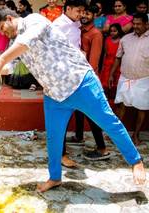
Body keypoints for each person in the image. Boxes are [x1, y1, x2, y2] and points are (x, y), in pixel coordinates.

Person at [0, 8, 146, 192]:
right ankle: (55, 177)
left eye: (3, 28)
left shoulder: (34, 20)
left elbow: (26, 42)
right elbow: (10, 67)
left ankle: (135, 160)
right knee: (54, 137)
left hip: (80, 82)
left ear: (10, 18)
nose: (3, 33)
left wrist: (0, 60)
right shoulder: (14, 42)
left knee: (109, 122)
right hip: (54, 94)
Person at [52, 0, 85, 167]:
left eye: (82, 11)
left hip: (75, 75)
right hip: (62, 77)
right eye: (78, 10)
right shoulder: (59, 25)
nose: (81, 14)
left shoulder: (75, 24)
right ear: (68, 9)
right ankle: (61, 154)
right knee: (61, 117)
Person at [109, 13, 149, 146]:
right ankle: (117, 134)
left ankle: (135, 135)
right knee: (121, 106)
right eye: (134, 24)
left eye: (139, 24)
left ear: (146, 24)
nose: (136, 26)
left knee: (141, 108)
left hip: (143, 79)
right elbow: (118, 57)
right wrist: (111, 74)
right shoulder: (125, 39)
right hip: (125, 77)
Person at [79, 4, 110, 161]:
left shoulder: (96, 34)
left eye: (88, 13)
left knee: (92, 114)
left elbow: (94, 62)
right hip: (77, 77)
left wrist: (85, 79)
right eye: (82, 12)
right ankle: (78, 137)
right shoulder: (79, 29)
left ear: (94, 16)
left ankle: (102, 149)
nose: (84, 15)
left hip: (87, 78)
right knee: (77, 109)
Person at [100, 23, 124, 99]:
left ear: (119, 31)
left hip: (117, 66)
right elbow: (105, 54)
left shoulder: (122, 41)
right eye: (111, 31)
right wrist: (103, 66)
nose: (112, 33)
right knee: (105, 86)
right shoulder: (107, 40)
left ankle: (114, 105)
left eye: (115, 31)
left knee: (114, 87)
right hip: (107, 66)